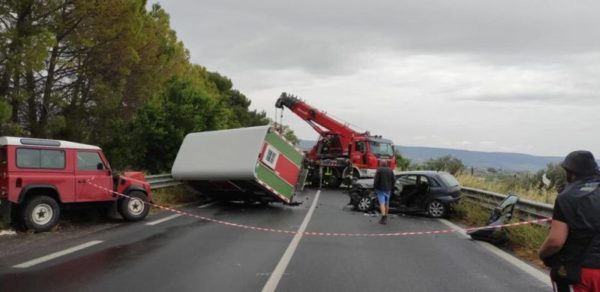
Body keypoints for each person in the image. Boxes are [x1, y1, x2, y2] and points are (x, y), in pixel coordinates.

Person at [538, 150, 600, 292]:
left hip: (578, 272)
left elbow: (555, 241)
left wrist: (542, 254)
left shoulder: (567, 196)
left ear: (571, 172)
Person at [373, 160, 395, 224]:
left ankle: (383, 217)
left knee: (382, 203)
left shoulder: (379, 170)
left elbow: (376, 180)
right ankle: (386, 216)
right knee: (387, 203)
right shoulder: (390, 170)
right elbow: (393, 180)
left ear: (381, 164)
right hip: (388, 189)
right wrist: (391, 187)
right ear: (386, 164)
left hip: (380, 189)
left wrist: (375, 187)